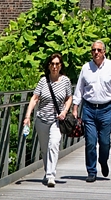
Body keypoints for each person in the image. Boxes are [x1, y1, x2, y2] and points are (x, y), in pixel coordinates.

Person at [72, 40, 111, 183]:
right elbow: (79, 89)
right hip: (89, 108)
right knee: (90, 142)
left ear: (104, 52)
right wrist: (75, 107)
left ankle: (103, 160)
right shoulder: (86, 68)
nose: (96, 53)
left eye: (99, 50)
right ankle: (91, 171)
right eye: (93, 50)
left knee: (105, 142)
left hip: (106, 109)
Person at [23, 52, 73, 188]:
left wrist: (64, 111)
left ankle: (51, 175)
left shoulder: (66, 81)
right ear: (49, 66)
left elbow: (69, 98)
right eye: (52, 64)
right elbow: (34, 98)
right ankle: (47, 170)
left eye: (57, 64)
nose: (55, 67)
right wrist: (28, 116)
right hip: (42, 119)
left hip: (56, 120)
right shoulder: (43, 81)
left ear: (60, 65)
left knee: (54, 144)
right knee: (45, 148)